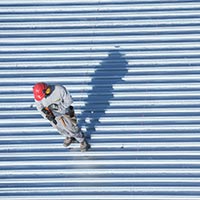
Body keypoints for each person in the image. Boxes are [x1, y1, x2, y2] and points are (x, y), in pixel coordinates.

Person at [33, 82, 90, 152]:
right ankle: (69, 137)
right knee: (60, 129)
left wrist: (59, 108)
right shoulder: (38, 97)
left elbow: (69, 100)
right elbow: (40, 108)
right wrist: (47, 116)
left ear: (47, 89)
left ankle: (82, 141)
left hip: (66, 112)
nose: (43, 97)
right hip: (53, 116)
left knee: (73, 128)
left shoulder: (59, 89)